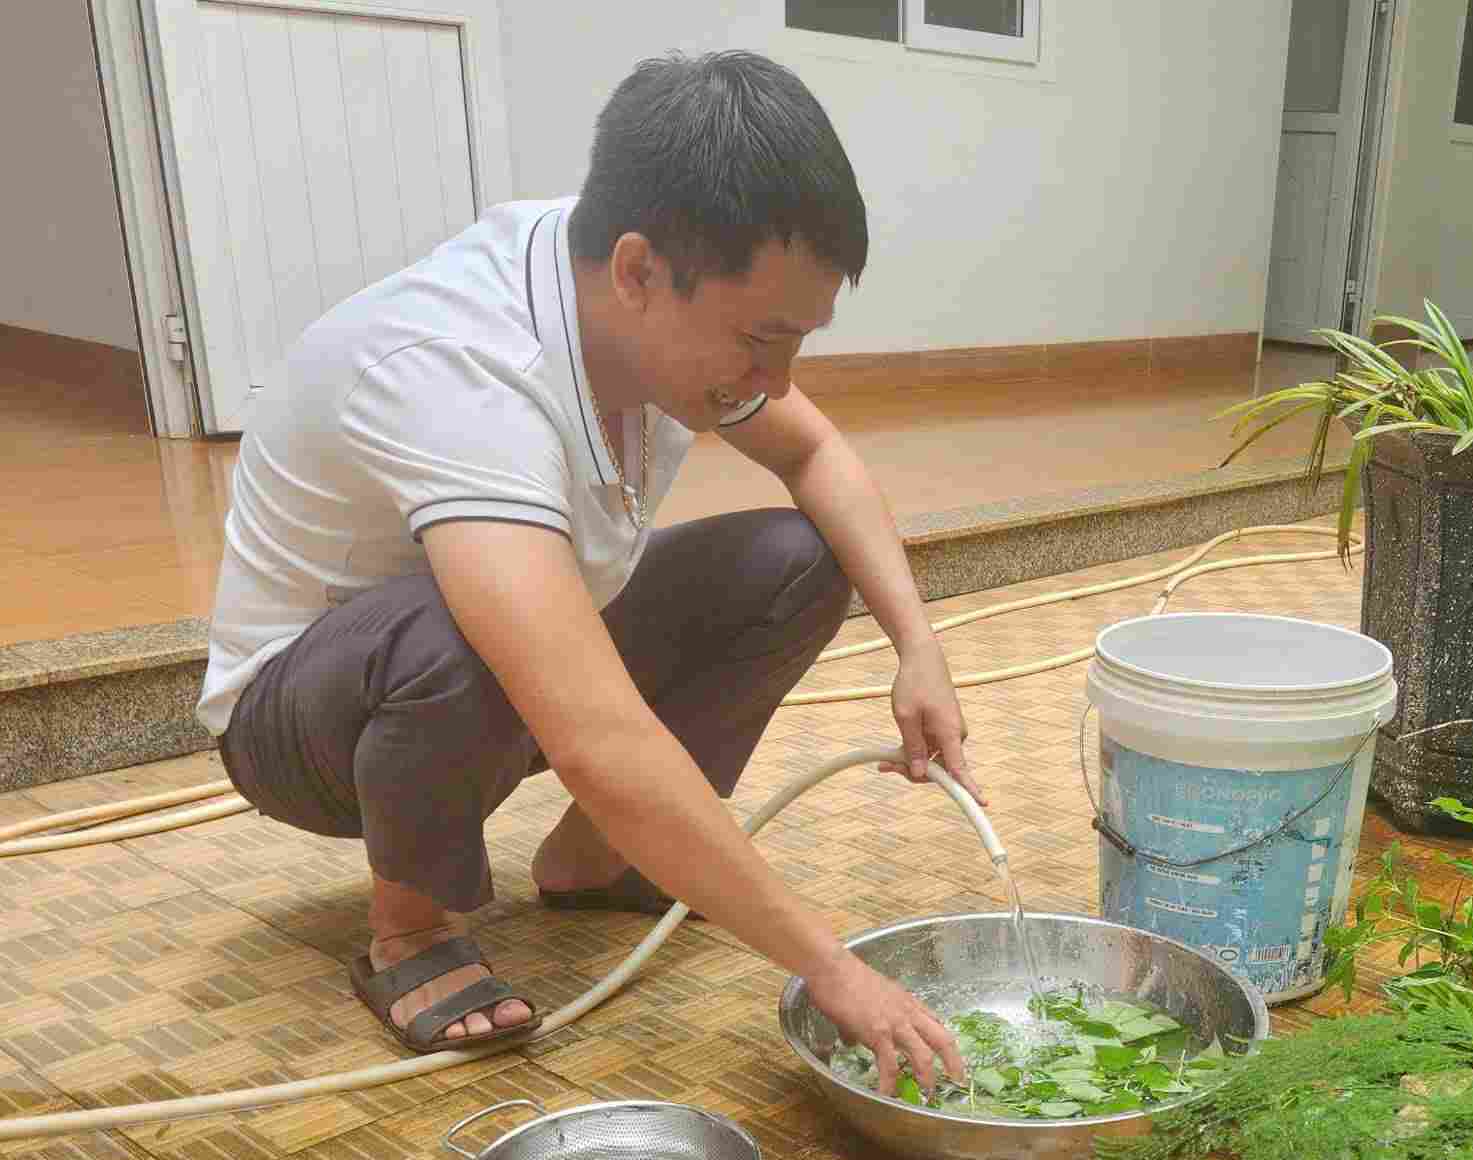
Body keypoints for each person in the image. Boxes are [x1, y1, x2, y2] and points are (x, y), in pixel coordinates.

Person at [195, 49, 971, 1095]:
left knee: (797, 560)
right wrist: (829, 964)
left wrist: (919, 647)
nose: (775, 381)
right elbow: (594, 734)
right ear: (640, 272)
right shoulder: (464, 373)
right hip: (312, 725)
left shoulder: (632, 279)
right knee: (459, 624)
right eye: (760, 339)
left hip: (488, 679)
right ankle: (409, 926)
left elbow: (816, 453)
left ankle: (592, 860)